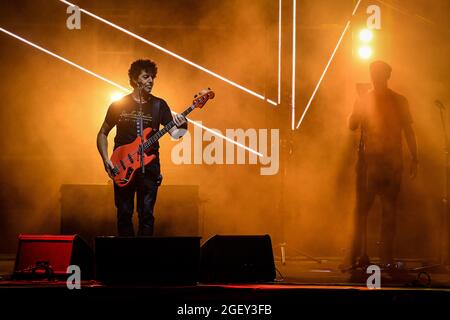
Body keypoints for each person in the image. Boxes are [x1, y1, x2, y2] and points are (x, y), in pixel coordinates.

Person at [97, 59, 187, 236]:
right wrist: (106, 159)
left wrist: (184, 124)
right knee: (124, 214)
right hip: (122, 165)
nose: (151, 80)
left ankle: (143, 260)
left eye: (152, 77)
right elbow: (102, 133)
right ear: (135, 79)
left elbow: (176, 134)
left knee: (147, 216)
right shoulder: (118, 105)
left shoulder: (159, 105)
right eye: (146, 76)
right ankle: (126, 259)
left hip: (149, 167)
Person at [348, 60, 418, 268]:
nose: (375, 77)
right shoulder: (365, 99)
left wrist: (415, 157)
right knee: (363, 211)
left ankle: (385, 257)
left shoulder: (399, 101)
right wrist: (358, 106)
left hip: (391, 163)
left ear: (387, 76)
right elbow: (352, 126)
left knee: (388, 212)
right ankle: (358, 255)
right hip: (369, 163)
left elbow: (408, 130)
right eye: (373, 73)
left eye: (378, 73)